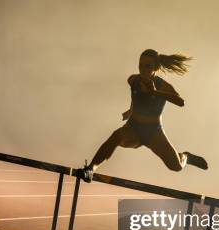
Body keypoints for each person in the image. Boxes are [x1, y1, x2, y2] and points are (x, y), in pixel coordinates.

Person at [78, 49, 208, 183]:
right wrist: (130, 111)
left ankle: (186, 157)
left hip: (154, 132)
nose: (143, 69)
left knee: (176, 167)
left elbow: (181, 102)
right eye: (141, 65)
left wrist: (155, 92)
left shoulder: (162, 85)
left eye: (147, 66)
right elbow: (135, 97)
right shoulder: (133, 80)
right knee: (116, 136)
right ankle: (90, 169)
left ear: (155, 68)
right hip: (133, 128)